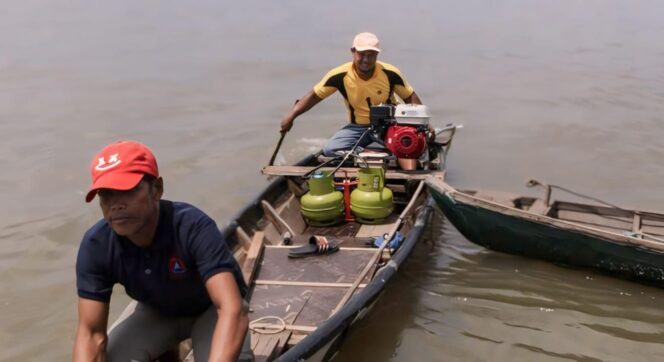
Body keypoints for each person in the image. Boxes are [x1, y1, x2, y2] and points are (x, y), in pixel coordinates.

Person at [73, 140, 250, 362]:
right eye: (106, 194)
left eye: (127, 190)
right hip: (158, 312)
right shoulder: (96, 245)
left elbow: (231, 309)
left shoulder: (192, 226)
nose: (115, 205)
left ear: (157, 189)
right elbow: (90, 335)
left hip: (211, 310)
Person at [280, 32, 422, 156]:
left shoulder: (390, 73)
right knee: (330, 150)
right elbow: (314, 96)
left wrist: (424, 125)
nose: (366, 60)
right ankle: (370, 154)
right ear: (353, 52)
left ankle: (389, 151)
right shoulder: (339, 75)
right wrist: (292, 115)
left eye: (371, 55)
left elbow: (409, 97)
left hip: (389, 125)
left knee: (409, 148)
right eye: (361, 54)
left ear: (377, 54)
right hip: (358, 128)